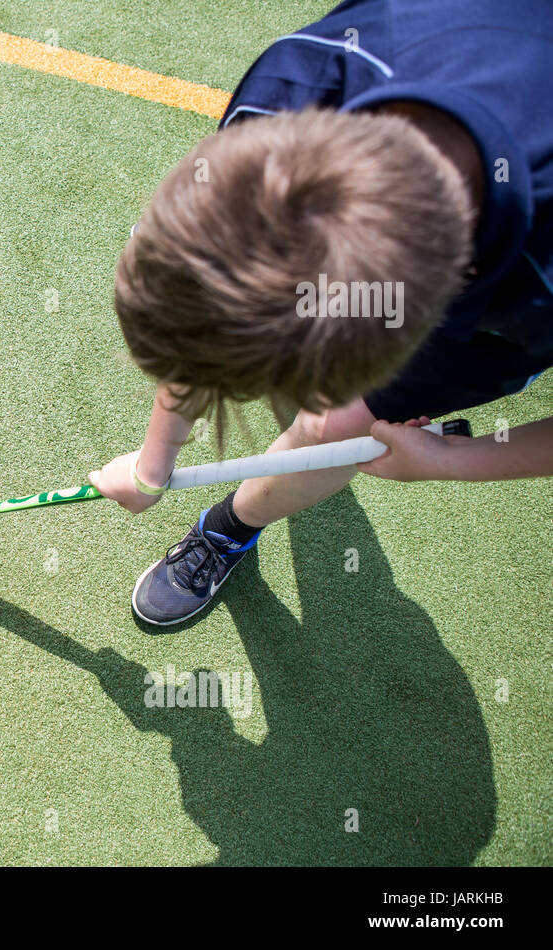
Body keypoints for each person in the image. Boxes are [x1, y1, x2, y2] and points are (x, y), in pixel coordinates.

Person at [87, 0, 553, 626]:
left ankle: (231, 526)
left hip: (504, 318)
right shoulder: (297, 87)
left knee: (333, 430)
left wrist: (451, 462)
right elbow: (201, 312)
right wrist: (153, 466)